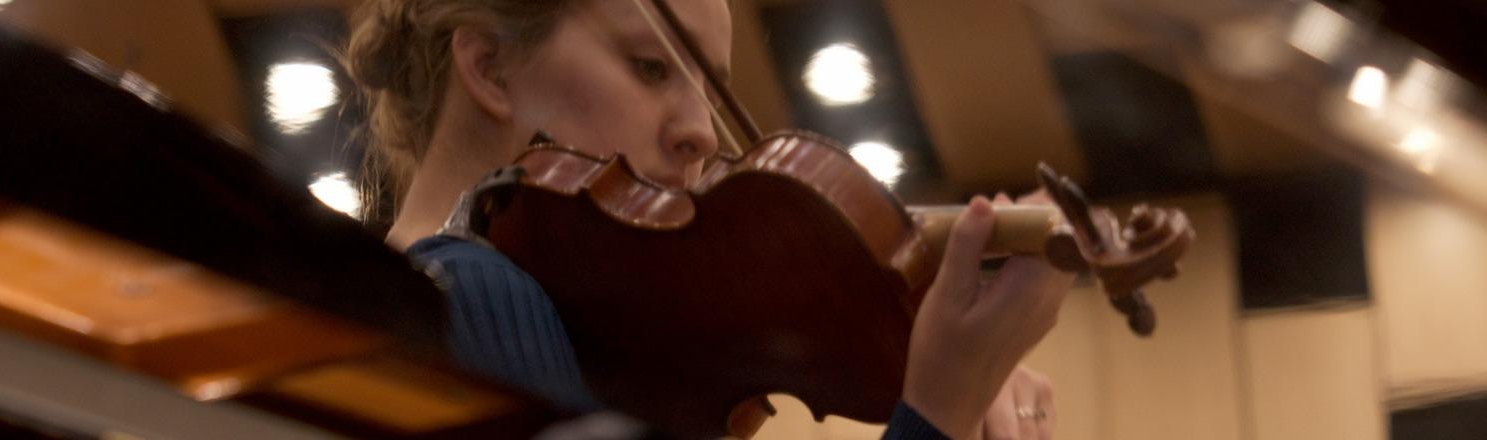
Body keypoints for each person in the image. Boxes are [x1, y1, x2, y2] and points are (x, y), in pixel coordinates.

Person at [343, 0, 1073, 438]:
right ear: (490, 69)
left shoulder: (373, 321)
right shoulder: (466, 295)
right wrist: (939, 407)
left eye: (709, 90)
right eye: (651, 68)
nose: (703, 132)